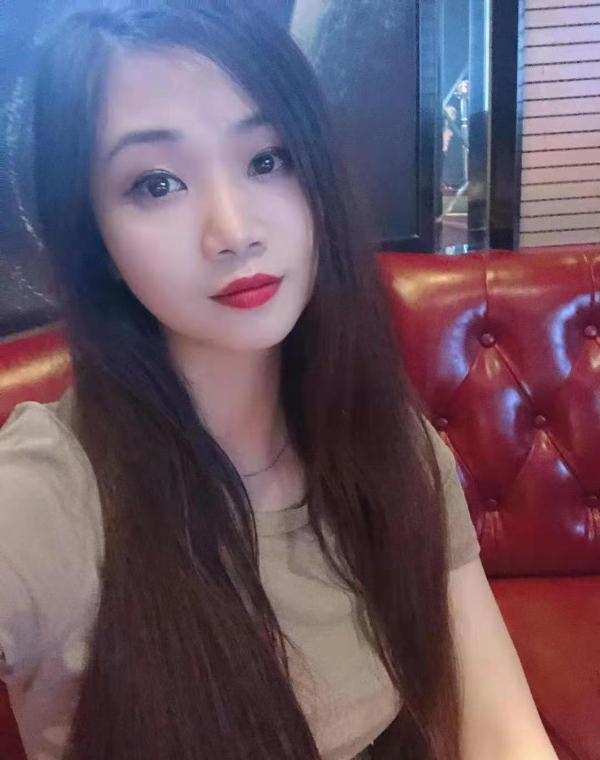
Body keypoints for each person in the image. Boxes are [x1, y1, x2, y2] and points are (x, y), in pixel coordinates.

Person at [0, 4, 558, 760]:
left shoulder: (386, 439)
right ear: (93, 234)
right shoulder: (49, 497)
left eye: (267, 160)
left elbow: (499, 726)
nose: (234, 231)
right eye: (157, 183)